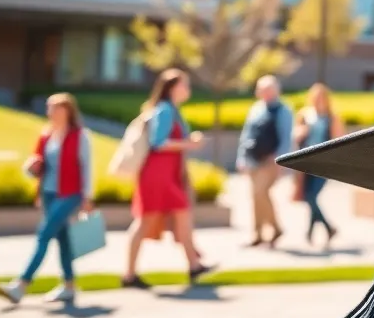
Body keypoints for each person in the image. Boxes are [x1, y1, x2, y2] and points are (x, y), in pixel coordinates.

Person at [0, 94, 94, 306]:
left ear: (68, 111)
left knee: (44, 235)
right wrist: (31, 168)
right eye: (50, 108)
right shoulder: (46, 135)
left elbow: (87, 167)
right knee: (63, 239)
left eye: (56, 108)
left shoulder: (80, 136)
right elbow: (34, 166)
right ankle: (69, 286)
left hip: (70, 194)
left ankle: (21, 285)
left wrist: (88, 196)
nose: (51, 112)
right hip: (48, 193)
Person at [123, 69, 215, 288]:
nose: (188, 89)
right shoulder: (164, 110)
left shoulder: (172, 110)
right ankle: (129, 274)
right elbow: (158, 142)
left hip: (168, 174)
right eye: (185, 85)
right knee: (146, 221)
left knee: (182, 215)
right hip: (157, 175)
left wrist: (187, 141)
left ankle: (194, 265)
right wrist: (189, 144)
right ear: (173, 88)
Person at [237, 75, 294, 248]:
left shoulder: (283, 110)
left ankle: (275, 228)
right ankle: (258, 233)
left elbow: (286, 138)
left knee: (261, 193)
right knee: (256, 196)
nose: (265, 93)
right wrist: (241, 157)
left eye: (269, 89)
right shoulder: (256, 108)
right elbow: (246, 135)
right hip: (253, 158)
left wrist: (280, 160)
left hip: (270, 160)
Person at [292, 83, 345, 246]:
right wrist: (301, 132)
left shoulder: (332, 117)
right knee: (308, 196)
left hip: (323, 163)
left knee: (311, 196)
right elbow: (295, 136)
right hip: (306, 162)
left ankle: (325, 228)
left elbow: (339, 140)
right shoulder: (304, 115)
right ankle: (321, 230)